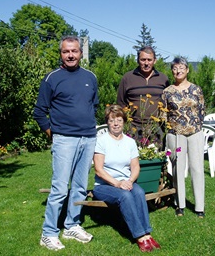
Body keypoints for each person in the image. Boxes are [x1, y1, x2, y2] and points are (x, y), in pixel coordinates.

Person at [33, 35, 98, 251]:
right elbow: (39, 112)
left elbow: (92, 106)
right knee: (60, 188)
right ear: (61, 53)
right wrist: (54, 133)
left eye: (74, 51)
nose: (70, 55)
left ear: (80, 53)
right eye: (66, 51)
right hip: (64, 140)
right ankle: (48, 232)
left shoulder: (91, 77)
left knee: (79, 187)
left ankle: (71, 225)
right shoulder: (52, 78)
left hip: (88, 138)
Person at [93, 104, 161, 253]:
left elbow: (136, 167)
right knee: (125, 196)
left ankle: (147, 233)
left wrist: (130, 180)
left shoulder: (130, 142)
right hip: (105, 185)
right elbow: (99, 170)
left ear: (124, 121)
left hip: (126, 181)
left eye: (118, 120)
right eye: (112, 120)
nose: (116, 123)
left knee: (138, 192)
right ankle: (139, 236)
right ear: (107, 122)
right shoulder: (101, 141)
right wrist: (118, 183)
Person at [162, 57, 206, 218]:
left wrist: (197, 127)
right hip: (176, 134)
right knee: (177, 168)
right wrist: (171, 131)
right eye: (175, 68)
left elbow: (202, 110)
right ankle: (179, 204)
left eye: (181, 68)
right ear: (172, 71)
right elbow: (163, 113)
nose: (178, 71)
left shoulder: (196, 90)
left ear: (187, 70)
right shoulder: (167, 92)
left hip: (195, 133)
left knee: (197, 168)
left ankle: (200, 207)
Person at [117, 46, 169, 128]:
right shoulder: (128, 78)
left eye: (149, 60)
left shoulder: (163, 78)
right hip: (133, 127)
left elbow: (167, 103)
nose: (146, 63)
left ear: (154, 61)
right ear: (138, 60)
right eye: (143, 60)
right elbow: (120, 103)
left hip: (156, 128)